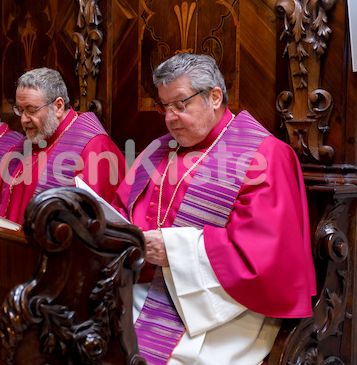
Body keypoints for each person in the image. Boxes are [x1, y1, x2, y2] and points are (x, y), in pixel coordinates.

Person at [111, 53, 316, 364]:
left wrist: (174, 249)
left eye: (181, 105)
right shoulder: (158, 148)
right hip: (145, 287)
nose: (169, 117)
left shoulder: (266, 155)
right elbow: (121, 209)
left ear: (215, 97)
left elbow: (263, 257)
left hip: (223, 309)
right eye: (164, 106)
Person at [0, 67, 126, 224]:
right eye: (20, 110)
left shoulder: (94, 148)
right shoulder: (25, 145)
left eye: (31, 110)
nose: (23, 119)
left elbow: (93, 225)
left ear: (58, 106)